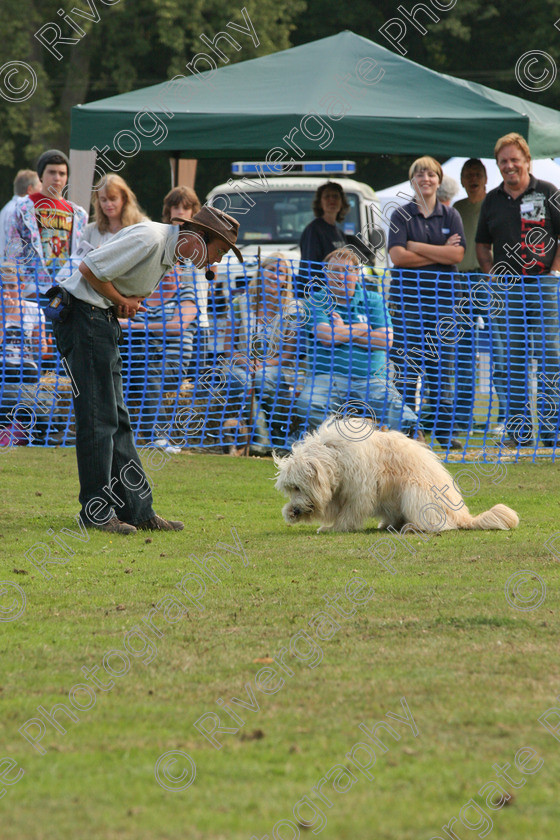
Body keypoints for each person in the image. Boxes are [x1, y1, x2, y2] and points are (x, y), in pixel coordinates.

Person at [52, 206, 243, 534]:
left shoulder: (166, 252)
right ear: (199, 238)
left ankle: (139, 511)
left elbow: (107, 280)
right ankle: (96, 512)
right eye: (220, 251)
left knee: (118, 421)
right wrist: (120, 301)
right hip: (83, 320)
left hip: (99, 321)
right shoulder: (151, 238)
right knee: (99, 420)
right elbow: (88, 269)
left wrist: (121, 304)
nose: (217, 261)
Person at [476, 132, 560, 449]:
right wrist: (491, 274)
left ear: (527, 160)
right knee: (510, 361)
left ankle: (553, 433)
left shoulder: (549, 192)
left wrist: (554, 271)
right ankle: (518, 433)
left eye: (514, 160)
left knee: (550, 359)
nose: (509, 166)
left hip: (544, 286)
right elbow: (482, 244)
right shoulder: (492, 200)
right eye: (503, 162)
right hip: (507, 291)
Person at [292, 247, 420, 439]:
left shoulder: (374, 300)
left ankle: (402, 453)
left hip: (373, 380)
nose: (340, 276)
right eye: (334, 270)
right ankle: (345, 440)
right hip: (327, 378)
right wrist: (362, 327)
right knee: (308, 405)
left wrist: (343, 330)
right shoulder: (316, 300)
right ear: (325, 274)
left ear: (357, 274)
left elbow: (386, 341)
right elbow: (327, 337)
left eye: (347, 271)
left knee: (404, 416)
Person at [388, 155, 466, 451]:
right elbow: (397, 257)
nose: (426, 179)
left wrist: (416, 247)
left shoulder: (451, 215)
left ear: (438, 179)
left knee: (442, 371)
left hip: (444, 307)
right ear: (413, 180)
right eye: (420, 174)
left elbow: (456, 256)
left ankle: (443, 434)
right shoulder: (400, 215)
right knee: (406, 371)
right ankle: (408, 433)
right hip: (407, 306)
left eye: (431, 174)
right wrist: (439, 252)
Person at [221, 253, 297, 452]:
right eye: (271, 270)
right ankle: (264, 438)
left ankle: (274, 437)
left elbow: (289, 353)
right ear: (261, 272)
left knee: (263, 378)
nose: (274, 276)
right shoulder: (239, 303)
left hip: (275, 366)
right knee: (244, 380)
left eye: (281, 273)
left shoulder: (292, 309)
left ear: (286, 280)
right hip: (239, 364)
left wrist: (263, 365)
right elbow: (228, 346)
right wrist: (245, 361)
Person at [7, 150, 88, 297]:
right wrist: (20, 283)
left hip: (67, 289)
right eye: (52, 172)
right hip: (33, 288)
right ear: (41, 175)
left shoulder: (79, 214)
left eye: (62, 173)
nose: (57, 178)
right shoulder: (23, 207)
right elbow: (13, 247)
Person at [453, 159, 489, 431]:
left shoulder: (496, 203)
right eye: (468, 175)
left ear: (485, 178)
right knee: (463, 351)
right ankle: (464, 418)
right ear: (462, 181)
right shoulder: (457, 209)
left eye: (477, 174)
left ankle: (505, 420)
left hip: (490, 279)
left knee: (503, 347)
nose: (473, 179)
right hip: (462, 281)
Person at [299, 182, 348, 281]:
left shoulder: (340, 233)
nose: (331, 200)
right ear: (320, 203)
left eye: (335, 196)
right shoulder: (313, 230)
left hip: (339, 289)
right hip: (320, 292)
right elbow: (310, 269)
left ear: (342, 202)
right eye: (327, 196)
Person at [0, 170, 41, 260]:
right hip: (13, 269)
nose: (42, 191)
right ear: (30, 189)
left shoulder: (6, 209)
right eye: (40, 186)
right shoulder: (20, 211)